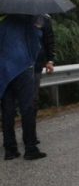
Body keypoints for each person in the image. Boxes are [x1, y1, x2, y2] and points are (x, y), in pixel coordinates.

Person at [0, 14, 46, 160]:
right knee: (27, 107)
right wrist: (31, 61)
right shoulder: (26, 20)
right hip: (22, 68)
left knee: (7, 110)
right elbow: (35, 43)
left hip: (3, 70)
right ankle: (30, 148)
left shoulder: (1, 21)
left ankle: (10, 149)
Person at [32, 14, 55, 139]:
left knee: (32, 100)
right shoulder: (12, 15)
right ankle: (10, 142)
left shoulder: (43, 18)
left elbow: (49, 39)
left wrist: (50, 60)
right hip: (14, 65)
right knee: (10, 103)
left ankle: (31, 134)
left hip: (35, 65)